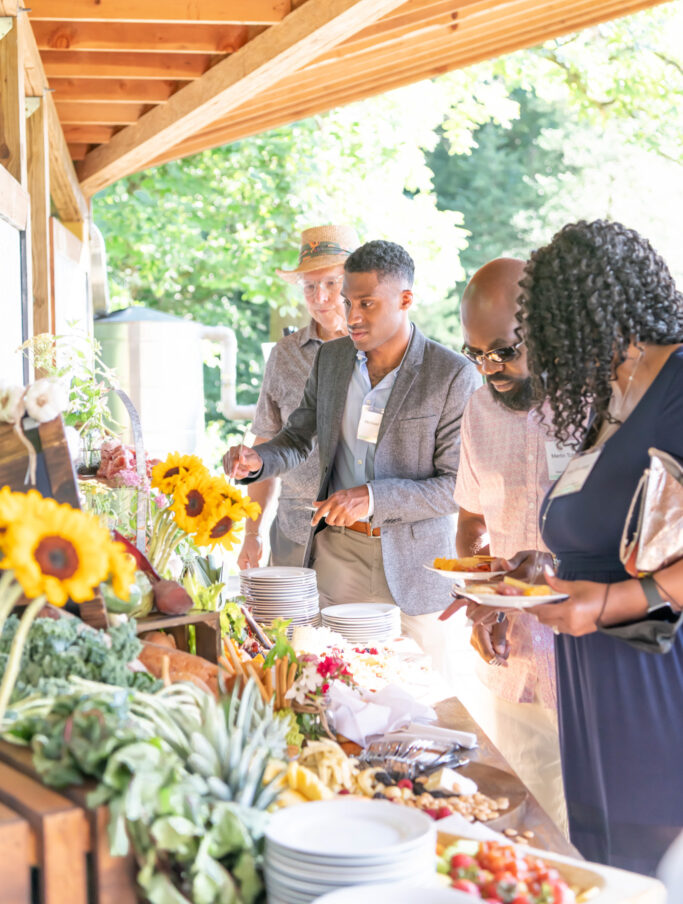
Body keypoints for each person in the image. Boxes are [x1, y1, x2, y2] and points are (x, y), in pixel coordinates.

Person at [515, 219, 683, 875]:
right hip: (592, 685)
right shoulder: (611, 395)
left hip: (657, 679)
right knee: (599, 867)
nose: (558, 353)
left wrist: (618, 598)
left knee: (648, 870)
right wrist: (532, 572)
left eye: (562, 330)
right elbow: (605, 534)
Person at [225, 240, 479, 657]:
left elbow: (456, 487)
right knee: (333, 680)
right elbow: (295, 438)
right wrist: (259, 461)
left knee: (428, 697)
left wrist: (373, 498)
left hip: (416, 570)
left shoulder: (452, 375)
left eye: (367, 303)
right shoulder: (331, 359)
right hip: (335, 558)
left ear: (405, 299)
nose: (352, 316)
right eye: (348, 302)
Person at [439, 257, 568, 832]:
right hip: (510, 656)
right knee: (517, 822)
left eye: (504, 351)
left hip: (584, 655)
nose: (489, 369)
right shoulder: (479, 408)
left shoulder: (599, 407)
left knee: (590, 831)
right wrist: (479, 598)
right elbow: (472, 522)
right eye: (475, 354)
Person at [238, 225, 356, 569]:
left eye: (332, 283)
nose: (320, 297)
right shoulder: (284, 355)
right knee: (283, 624)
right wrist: (252, 532)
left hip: (362, 536)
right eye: (310, 286)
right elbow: (266, 440)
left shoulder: (378, 349)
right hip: (293, 532)